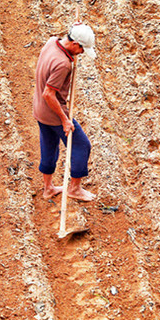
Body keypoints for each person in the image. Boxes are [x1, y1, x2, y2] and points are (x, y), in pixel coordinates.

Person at [32, 23, 97, 202]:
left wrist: (70, 55)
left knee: (49, 146)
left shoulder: (52, 42)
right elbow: (49, 94)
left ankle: (48, 188)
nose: (82, 53)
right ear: (75, 44)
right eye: (82, 49)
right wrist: (64, 119)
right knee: (81, 145)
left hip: (39, 110)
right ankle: (75, 189)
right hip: (53, 112)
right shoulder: (63, 64)